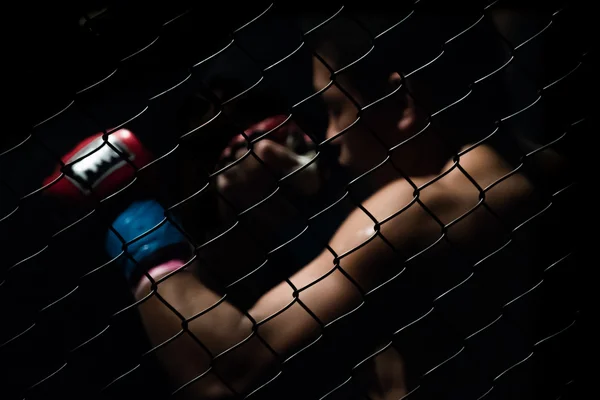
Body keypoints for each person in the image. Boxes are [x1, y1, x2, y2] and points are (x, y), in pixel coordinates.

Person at [106, 17, 555, 400]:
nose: (330, 136)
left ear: (401, 103)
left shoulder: (422, 204)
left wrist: (136, 222)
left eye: (334, 108)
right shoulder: (529, 163)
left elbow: (229, 369)